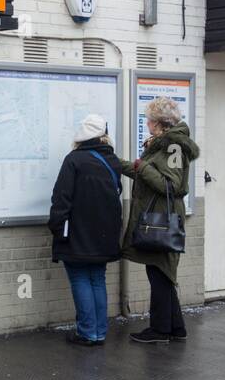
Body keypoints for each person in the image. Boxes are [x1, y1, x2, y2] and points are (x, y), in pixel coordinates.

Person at [118, 96, 199, 344]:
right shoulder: (162, 144)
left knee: (160, 273)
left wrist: (142, 168)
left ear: (159, 122)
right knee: (161, 272)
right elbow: (145, 171)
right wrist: (118, 163)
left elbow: (171, 184)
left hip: (163, 218)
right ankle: (176, 328)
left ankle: (160, 330)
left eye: (149, 119)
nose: (147, 123)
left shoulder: (173, 146)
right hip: (162, 215)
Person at [48, 113, 123, 346]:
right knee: (97, 279)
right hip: (105, 233)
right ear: (104, 136)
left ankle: (87, 332)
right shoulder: (112, 161)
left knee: (80, 277)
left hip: (78, 233)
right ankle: (99, 331)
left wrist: (56, 227)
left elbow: (61, 198)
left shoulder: (74, 160)